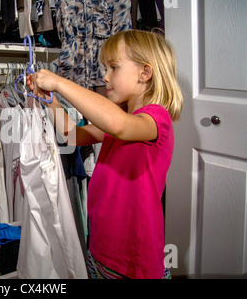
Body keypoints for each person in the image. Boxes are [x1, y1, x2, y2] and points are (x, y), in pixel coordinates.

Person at [27, 29, 183, 279]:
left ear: (145, 73)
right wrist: (51, 101)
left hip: (133, 262)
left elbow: (118, 125)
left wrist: (58, 82)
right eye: (105, 68)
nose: (105, 76)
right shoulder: (124, 119)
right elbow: (73, 136)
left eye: (113, 67)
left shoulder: (156, 120)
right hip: (99, 251)